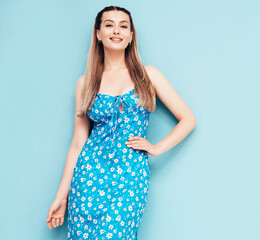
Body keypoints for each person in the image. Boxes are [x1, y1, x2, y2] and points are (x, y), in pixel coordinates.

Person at [46, 5, 197, 239]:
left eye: (123, 26)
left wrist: (156, 148)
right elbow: (78, 143)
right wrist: (61, 195)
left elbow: (188, 119)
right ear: (98, 33)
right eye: (109, 25)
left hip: (130, 175)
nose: (116, 30)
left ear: (130, 36)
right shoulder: (85, 83)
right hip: (88, 177)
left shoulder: (148, 75)